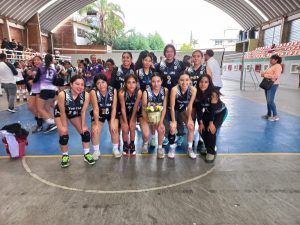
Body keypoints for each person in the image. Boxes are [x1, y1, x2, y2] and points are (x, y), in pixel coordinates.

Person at [54, 75, 95, 168]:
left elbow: (83, 111)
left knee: (85, 133)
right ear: (71, 84)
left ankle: (86, 154)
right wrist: (65, 126)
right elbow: (63, 112)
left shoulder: (86, 95)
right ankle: (65, 155)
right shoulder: (62, 95)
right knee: (64, 134)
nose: (80, 87)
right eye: (77, 84)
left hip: (74, 112)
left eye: (82, 85)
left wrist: (83, 125)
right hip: (61, 113)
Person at [156, 44, 185, 146]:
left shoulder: (180, 64)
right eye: (167, 51)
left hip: (177, 94)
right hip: (165, 94)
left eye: (171, 51)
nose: (169, 53)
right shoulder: (160, 65)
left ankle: (181, 134)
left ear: (174, 53)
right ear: (165, 53)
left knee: (178, 114)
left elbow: (185, 76)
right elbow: (155, 76)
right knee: (166, 115)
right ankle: (167, 135)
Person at [196, 74, 227, 163]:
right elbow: (198, 110)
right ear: (198, 83)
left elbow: (213, 109)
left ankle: (211, 152)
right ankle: (208, 147)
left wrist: (211, 123)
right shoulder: (197, 93)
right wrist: (201, 123)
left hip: (219, 113)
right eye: (201, 82)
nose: (203, 84)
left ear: (209, 83)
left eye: (206, 82)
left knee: (211, 130)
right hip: (209, 112)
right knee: (201, 129)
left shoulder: (213, 93)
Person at [90, 74, 122, 160]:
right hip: (99, 113)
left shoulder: (113, 90)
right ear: (96, 85)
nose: (101, 85)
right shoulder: (93, 92)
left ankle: (115, 149)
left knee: (114, 128)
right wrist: (96, 124)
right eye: (98, 83)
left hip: (111, 112)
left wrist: (112, 122)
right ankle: (96, 150)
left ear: (106, 82)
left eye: (103, 82)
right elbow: (95, 109)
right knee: (95, 130)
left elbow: (114, 107)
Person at [169, 71, 197, 159]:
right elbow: (172, 107)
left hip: (183, 110)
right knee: (173, 128)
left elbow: (190, 105)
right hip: (174, 110)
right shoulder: (174, 90)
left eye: (187, 80)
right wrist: (173, 121)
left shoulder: (193, 90)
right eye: (182, 80)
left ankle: (189, 148)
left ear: (190, 81)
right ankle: (171, 147)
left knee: (191, 126)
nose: (184, 83)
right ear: (178, 81)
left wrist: (189, 119)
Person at [141, 72, 168, 158]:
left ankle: (159, 148)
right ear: (150, 82)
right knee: (146, 134)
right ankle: (145, 143)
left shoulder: (165, 90)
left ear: (161, 81)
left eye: (158, 81)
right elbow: (143, 109)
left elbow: (164, 107)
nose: (156, 84)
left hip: (158, 115)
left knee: (161, 129)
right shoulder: (146, 92)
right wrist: (149, 121)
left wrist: (160, 122)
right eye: (153, 81)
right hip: (146, 116)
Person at [118, 74, 142, 156]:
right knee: (125, 128)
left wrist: (132, 120)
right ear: (125, 83)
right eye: (129, 82)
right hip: (123, 112)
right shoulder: (122, 93)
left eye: (133, 82)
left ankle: (132, 144)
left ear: (136, 83)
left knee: (132, 127)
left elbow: (135, 107)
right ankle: (125, 144)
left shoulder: (138, 92)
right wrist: (124, 121)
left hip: (132, 112)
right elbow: (123, 108)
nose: (131, 85)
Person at [35, 54, 57, 133]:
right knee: (47, 108)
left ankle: (51, 122)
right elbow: (55, 81)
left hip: (45, 90)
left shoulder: (41, 68)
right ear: (51, 60)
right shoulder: (54, 69)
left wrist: (32, 81)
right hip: (52, 90)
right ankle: (52, 123)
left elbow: (36, 79)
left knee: (40, 108)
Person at [261, 55, 282, 121]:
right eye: (270, 59)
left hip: (273, 85)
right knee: (268, 100)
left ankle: (275, 115)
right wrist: (263, 73)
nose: (270, 60)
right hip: (267, 84)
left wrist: (265, 75)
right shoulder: (272, 66)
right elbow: (268, 73)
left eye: (272, 59)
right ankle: (269, 114)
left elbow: (276, 76)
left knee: (270, 101)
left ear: (276, 60)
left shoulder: (278, 66)